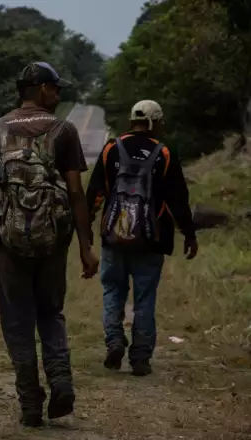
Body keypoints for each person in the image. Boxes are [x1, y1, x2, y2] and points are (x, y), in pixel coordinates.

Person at [0, 61, 99, 427]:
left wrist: (8, 195)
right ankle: (61, 381)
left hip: (8, 245)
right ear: (42, 89)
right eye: (56, 88)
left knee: (17, 321)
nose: (58, 95)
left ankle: (30, 402)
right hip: (52, 243)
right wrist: (86, 247)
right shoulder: (64, 131)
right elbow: (76, 193)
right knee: (51, 313)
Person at [86, 100, 198, 377]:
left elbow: (96, 193)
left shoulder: (112, 148)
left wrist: (87, 227)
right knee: (145, 299)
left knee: (112, 291)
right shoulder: (165, 153)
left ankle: (114, 340)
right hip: (151, 240)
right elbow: (178, 200)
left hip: (114, 237)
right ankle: (140, 358)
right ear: (154, 122)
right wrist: (189, 234)